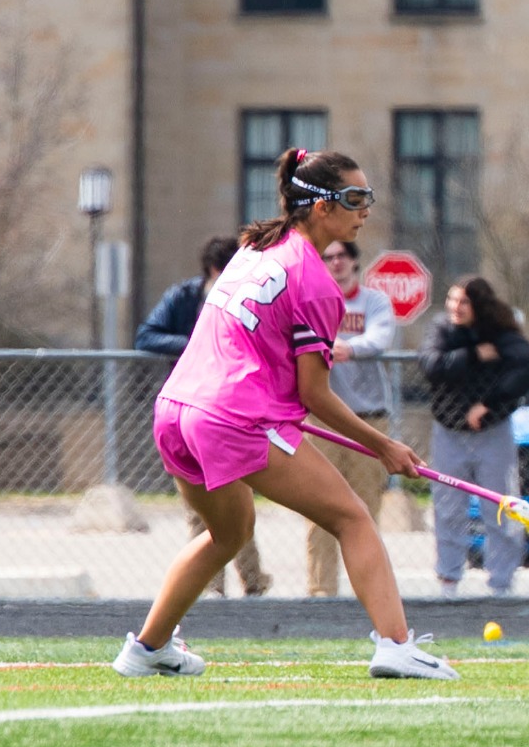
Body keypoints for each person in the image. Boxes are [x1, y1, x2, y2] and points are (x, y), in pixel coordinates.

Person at [111, 148, 454, 680]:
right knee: (353, 518)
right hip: (233, 418)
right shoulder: (317, 283)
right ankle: (396, 644)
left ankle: (147, 648)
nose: (366, 210)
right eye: (355, 198)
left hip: (176, 412)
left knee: (228, 532)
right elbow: (314, 394)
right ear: (320, 207)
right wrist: (384, 444)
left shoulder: (253, 248)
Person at [135, 236, 274, 599]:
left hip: (231, 414)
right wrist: (195, 343)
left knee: (238, 505)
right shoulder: (185, 297)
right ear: (216, 271)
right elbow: (146, 335)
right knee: (202, 509)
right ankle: (210, 587)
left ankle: (253, 581)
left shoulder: (246, 301)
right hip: (189, 413)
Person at [419, 276, 529, 598]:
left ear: (479, 306)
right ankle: (449, 581)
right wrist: (472, 355)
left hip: (493, 433)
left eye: (464, 302)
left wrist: (490, 403)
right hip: (448, 431)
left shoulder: (500, 332)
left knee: (500, 508)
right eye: (452, 300)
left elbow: (526, 368)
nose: (456, 308)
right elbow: (431, 365)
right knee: (448, 508)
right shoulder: (443, 329)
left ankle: (501, 584)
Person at [305, 240, 396, 598]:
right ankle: (320, 591)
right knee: (318, 508)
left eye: (342, 256)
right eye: (328, 257)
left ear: (355, 262)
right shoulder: (312, 303)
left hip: (368, 420)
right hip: (322, 420)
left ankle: (370, 593)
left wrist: (349, 347)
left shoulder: (373, 302)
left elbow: (380, 337)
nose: (335, 262)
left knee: (365, 509)